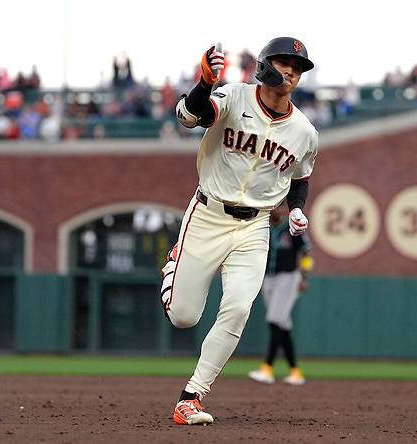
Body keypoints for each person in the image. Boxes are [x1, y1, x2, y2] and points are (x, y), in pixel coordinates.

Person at [160, 37, 318, 425]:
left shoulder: (304, 132)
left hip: (255, 226)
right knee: (183, 317)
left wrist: (297, 208)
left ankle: (191, 397)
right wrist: (205, 82)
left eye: (298, 67)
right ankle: (176, 263)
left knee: (238, 309)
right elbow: (191, 116)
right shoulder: (234, 96)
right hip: (208, 214)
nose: (291, 72)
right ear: (264, 65)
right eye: (284, 63)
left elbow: (300, 178)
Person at [248, 203, 313, 386]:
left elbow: (306, 252)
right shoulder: (263, 228)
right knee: (282, 324)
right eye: (274, 207)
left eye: (279, 207)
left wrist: (304, 277)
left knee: (275, 320)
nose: (276, 210)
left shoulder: (291, 229)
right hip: (268, 277)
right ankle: (296, 372)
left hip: (288, 277)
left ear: (284, 210)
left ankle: (267, 368)